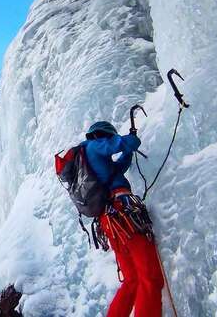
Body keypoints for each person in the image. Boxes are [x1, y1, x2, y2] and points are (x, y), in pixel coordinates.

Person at [83, 121, 164, 317]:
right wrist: (131, 139)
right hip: (122, 213)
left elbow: (119, 167)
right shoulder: (94, 146)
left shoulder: (98, 162)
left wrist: (128, 151)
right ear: (102, 135)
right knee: (150, 277)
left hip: (111, 221)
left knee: (132, 280)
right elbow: (119, 144)